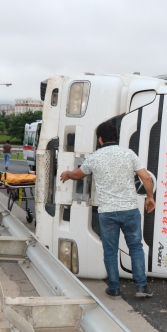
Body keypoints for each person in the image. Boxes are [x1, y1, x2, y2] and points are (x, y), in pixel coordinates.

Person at [60, 121, 156, 299]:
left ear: (100, 139)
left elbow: (77, 175)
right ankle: (141, 287)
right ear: (116, 138)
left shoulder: (95, 157)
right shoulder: (128, 154)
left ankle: (114, 288)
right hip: (129, 210)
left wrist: (67, 174)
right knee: (135, 248)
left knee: (110, 250)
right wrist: (150, 197)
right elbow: (146, 178)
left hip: (107, 213)